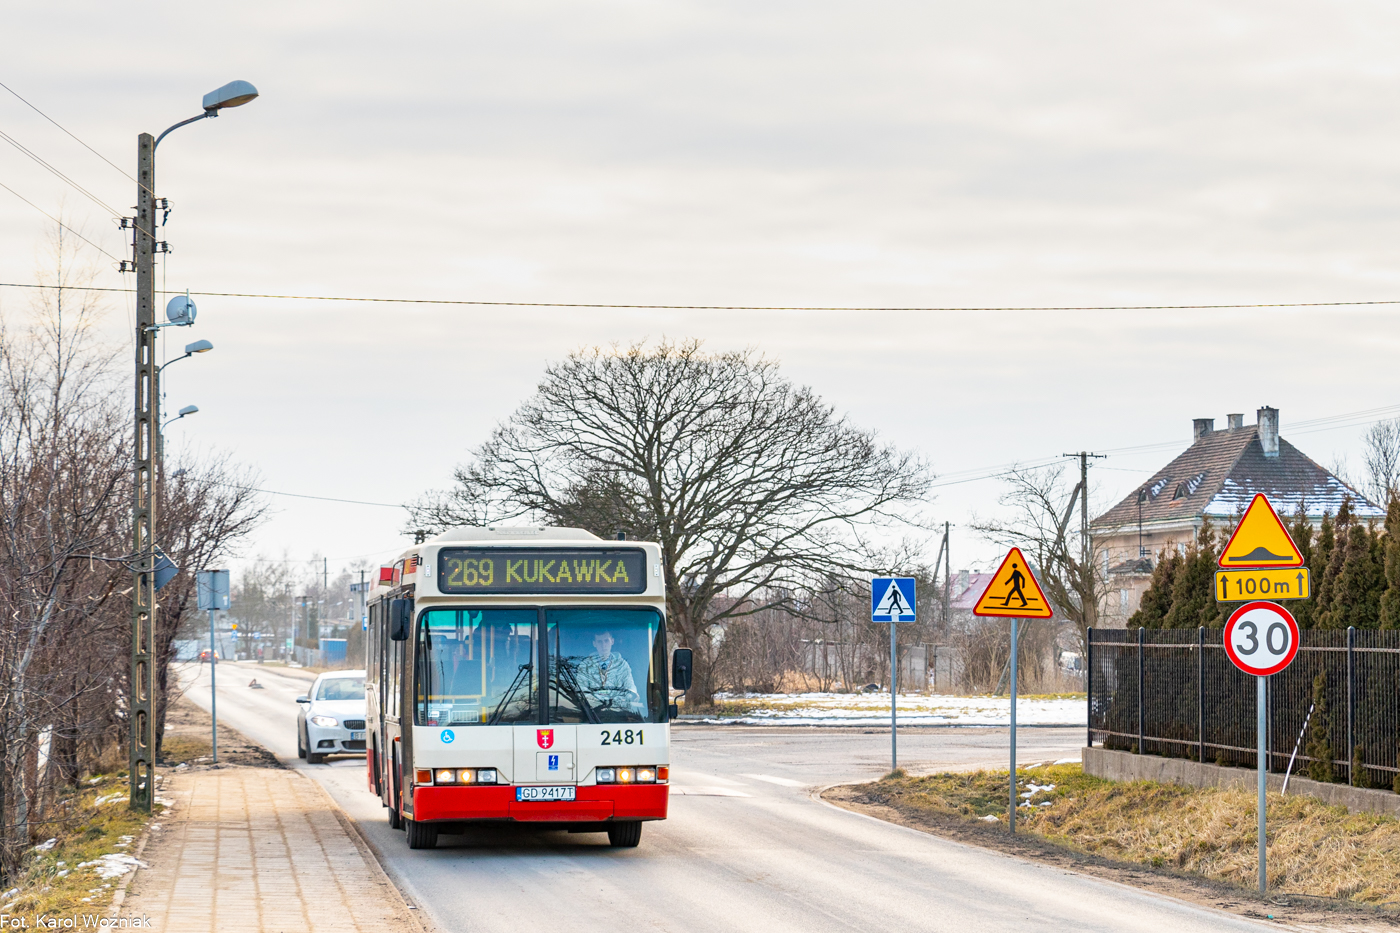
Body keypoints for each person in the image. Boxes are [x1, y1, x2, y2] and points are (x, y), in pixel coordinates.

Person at [571, 630, 639, 712]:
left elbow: (630, 689)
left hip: (619, 713)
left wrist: (613, 704)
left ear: (612, 641)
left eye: (606, 641)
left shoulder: (622, 665)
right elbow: (581, 690)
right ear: (594, 643)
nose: (603, 645)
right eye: (599, 642)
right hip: (592, 713)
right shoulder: (585, 665)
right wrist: (598, 704)